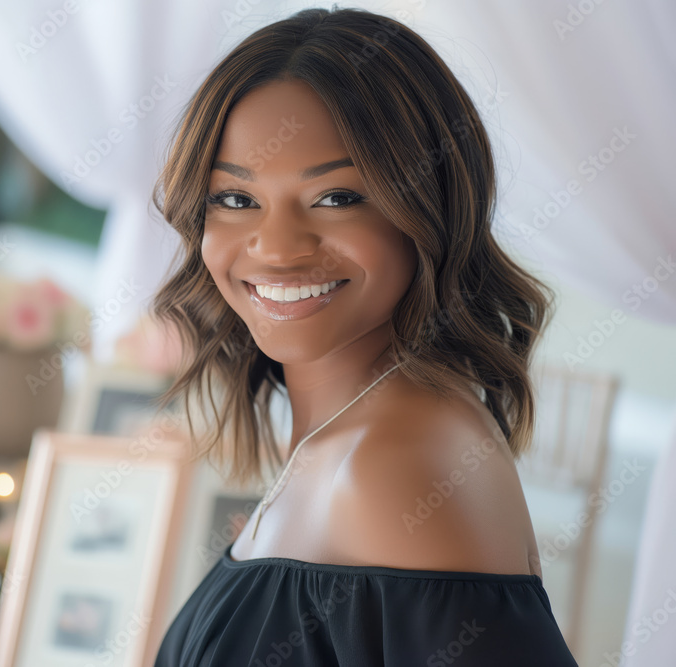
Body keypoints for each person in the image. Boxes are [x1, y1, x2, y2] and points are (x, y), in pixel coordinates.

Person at [148, 6, 579, 666]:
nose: (278, 247)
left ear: (427, 207)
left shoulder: (394, 467)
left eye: (337, 197)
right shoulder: (349, 436)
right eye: (235, 199)